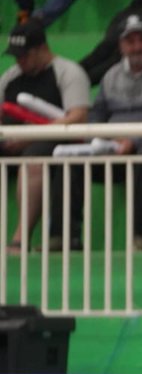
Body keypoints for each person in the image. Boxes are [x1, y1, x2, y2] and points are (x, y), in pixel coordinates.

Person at [60, 15, 142, 251]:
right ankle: (63, 236)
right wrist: (101, 140)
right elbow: (97, 115)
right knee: (72, 159)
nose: (137, 47)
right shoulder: (111, 75)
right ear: (121, 46)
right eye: (130, 42)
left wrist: (134, 140)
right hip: (114, 147)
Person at [0, 22, 89, 252]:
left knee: (34, 159)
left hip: (54, 140)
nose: (19, 61)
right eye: (16, 56)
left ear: (41, 48)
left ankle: (20, 238)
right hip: (12, 139)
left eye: (24, 55)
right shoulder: (10, 77)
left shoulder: (68, 72)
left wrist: (31, 136)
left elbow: (77, 116)